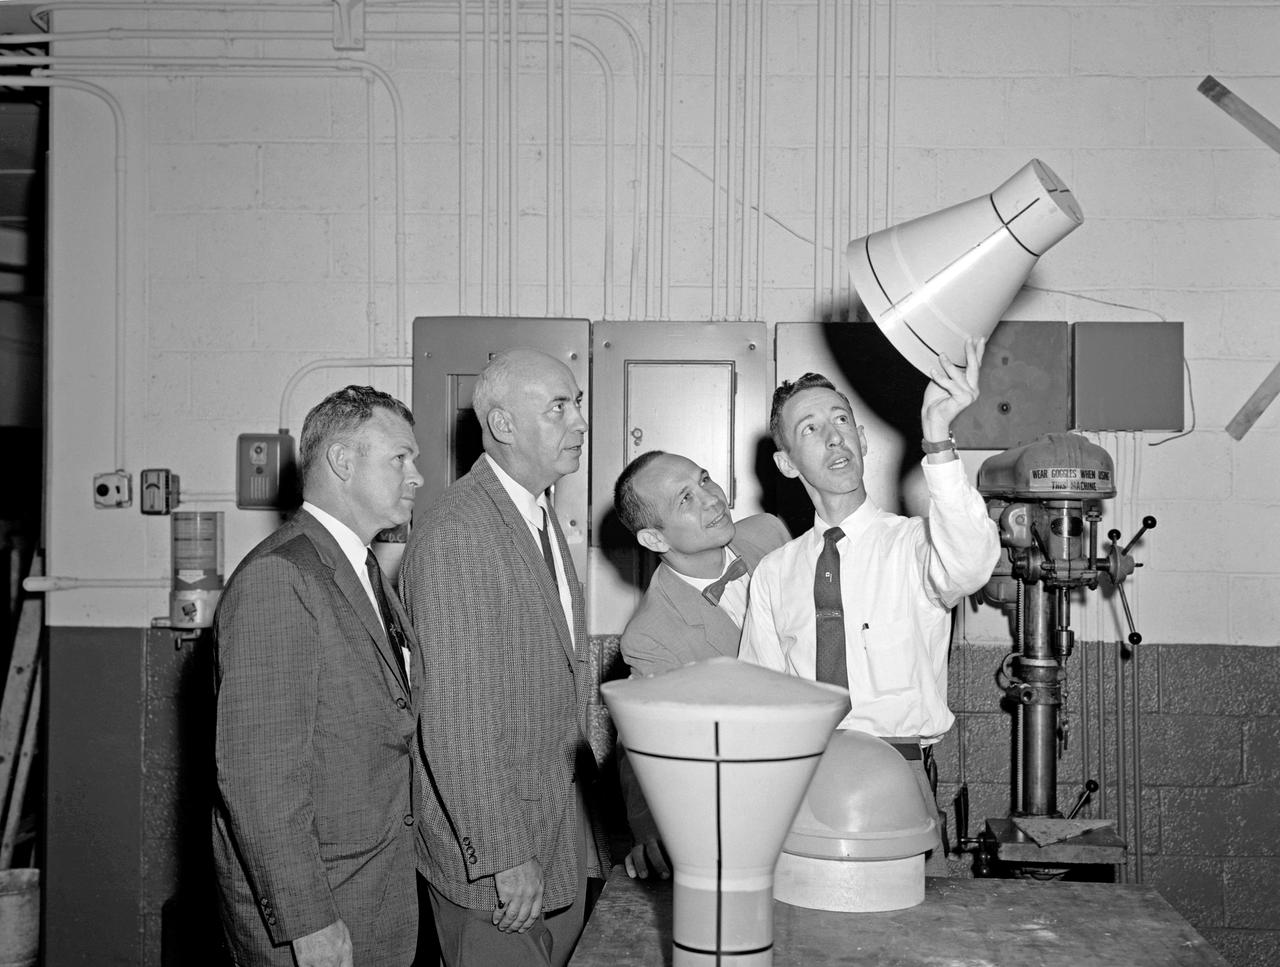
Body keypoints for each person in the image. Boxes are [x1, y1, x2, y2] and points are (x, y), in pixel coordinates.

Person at [739, 337, 1000, 873]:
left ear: (861, 438)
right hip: (802, 784)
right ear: (787, 464)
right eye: (810, 428)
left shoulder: (914, 545)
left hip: (897, 776)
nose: (833, 436)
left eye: (841, 420)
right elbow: (758, 703)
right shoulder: (774, 573)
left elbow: (972, 563)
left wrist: (938, 442)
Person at [400, 348, 611, 967]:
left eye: (577, 404)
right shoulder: (461, 529)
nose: (579, 423)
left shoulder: (536, 516)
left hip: (550, 835)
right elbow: (457, 720)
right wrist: (503, 855)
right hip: (498, 859)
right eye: (558, 408)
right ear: (503, 426)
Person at [212, 385, 424, 967]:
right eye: (400, 459)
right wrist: (310, 922)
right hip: (323, 915)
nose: (417, 476)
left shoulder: (360, 569)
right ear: (342, 462)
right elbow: (259, 780)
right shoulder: (280, 578)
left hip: (375, 894)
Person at [611, 450, 791, 878]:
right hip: (749, 810)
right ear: (655, 540)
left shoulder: (771, 532)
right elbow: (637, 737)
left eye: (705, 479)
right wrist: (650, 828)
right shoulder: (651, 634)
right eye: (685, 499)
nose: (712, 499)